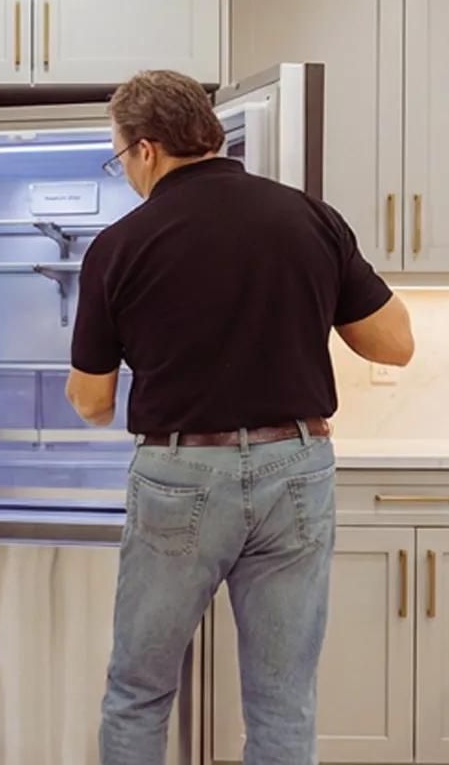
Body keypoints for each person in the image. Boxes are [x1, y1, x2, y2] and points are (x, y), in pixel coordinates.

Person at [67, 70, 414, 765]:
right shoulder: (309, 217)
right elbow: (394, 344)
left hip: (181, 475)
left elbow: (93, 400)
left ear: (146, 150)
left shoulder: (120, 245)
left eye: (120, 156)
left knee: (140, 691)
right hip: (296, 467)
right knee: (283, 701)